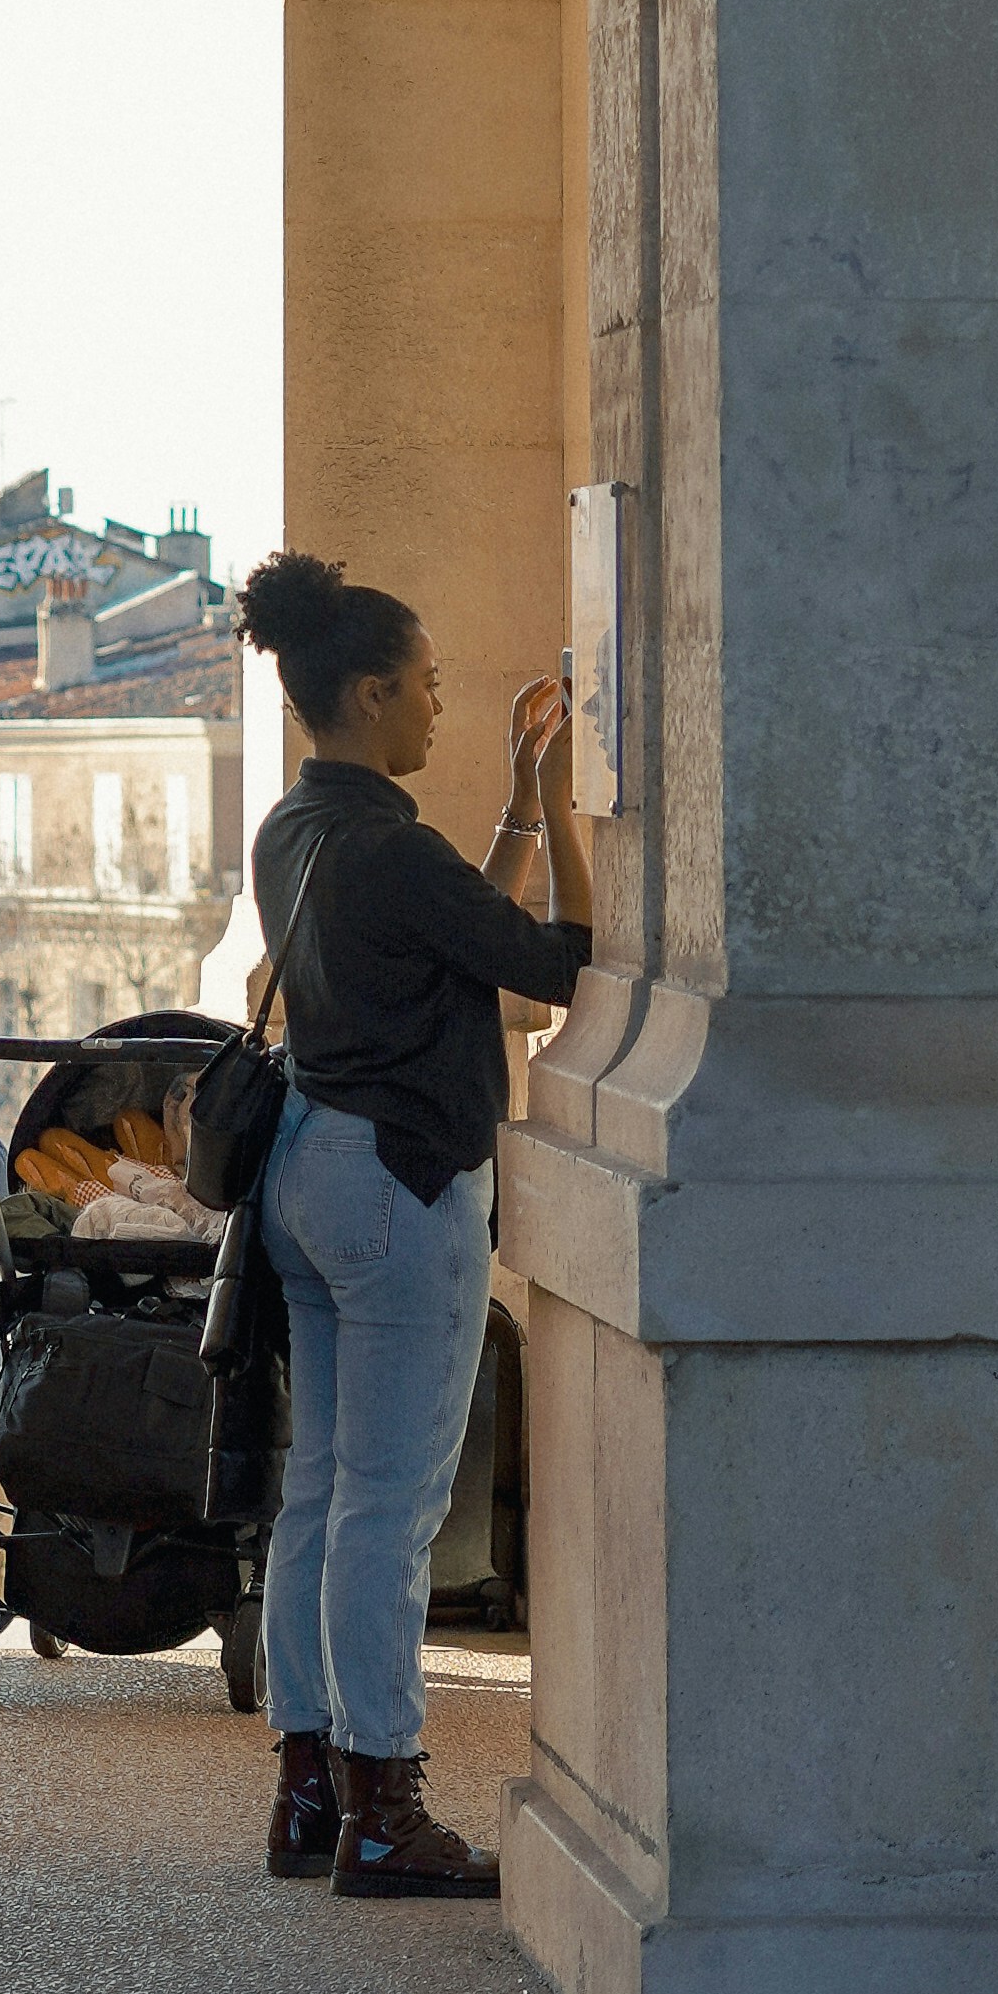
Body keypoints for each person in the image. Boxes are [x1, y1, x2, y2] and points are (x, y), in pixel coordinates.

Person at [234, 549, 590, 1897]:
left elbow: (446, 923)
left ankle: (309, 1791)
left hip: (310, 1172)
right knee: (393, 1510)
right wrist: (556, 812)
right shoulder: (391, 849)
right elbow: (561, 957)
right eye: (429, 687)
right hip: (401, 1187)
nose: (440, 707)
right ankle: (387, 1806)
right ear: (370, 690)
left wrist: (500, 808)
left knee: (320, 1495)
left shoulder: (299, 831)